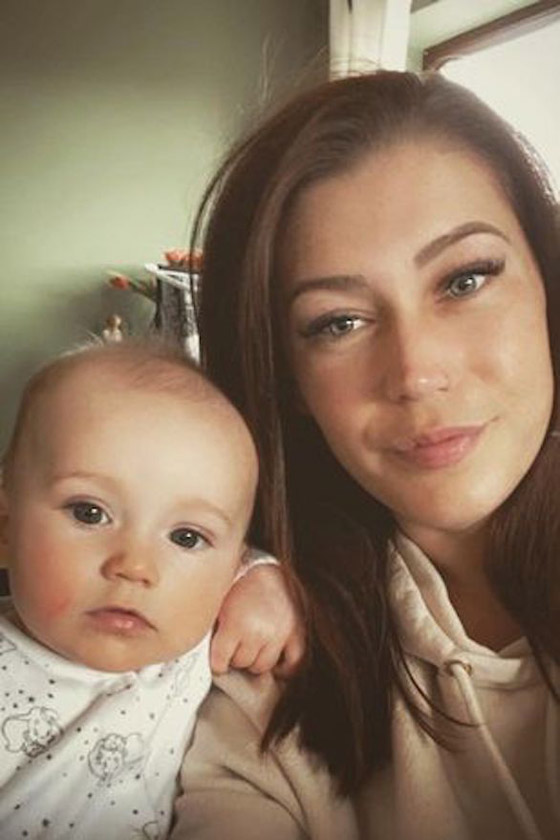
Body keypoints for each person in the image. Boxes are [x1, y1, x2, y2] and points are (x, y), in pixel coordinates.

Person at [172, 70, 560, 840]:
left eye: (466, 279)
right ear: (286, 381)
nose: (416, 373)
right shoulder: (257, 669)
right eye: (338, 323)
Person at [0, 340, 302, 840]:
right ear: (6, 524)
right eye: (89, 513)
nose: (136, 567)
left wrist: (266, 582)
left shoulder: (194, 642)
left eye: (186, 537)